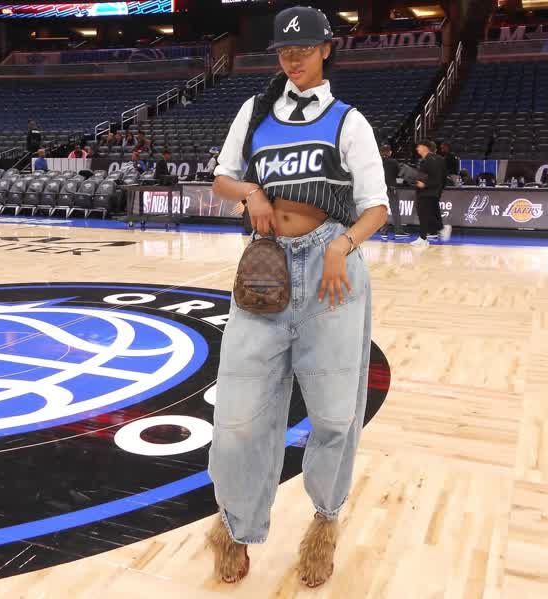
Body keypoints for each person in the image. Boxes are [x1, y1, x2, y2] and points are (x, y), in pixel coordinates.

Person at [206, 6, 388, 589]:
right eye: (285, 51)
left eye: (304, 49)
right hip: (265, 269)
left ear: (326, 49)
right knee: (238, 419)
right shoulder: (254, 111)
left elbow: (377, 207)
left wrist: (344, 244)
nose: (293, 59)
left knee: (334, 417)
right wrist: (250, 192)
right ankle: (234, 527)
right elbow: (222, 178)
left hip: (332, 274)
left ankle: (324, 526)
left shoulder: (348, 121)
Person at [412, 139, 448, 249]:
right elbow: (444, 178)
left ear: (425, 147)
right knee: (429, 214)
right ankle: (424, 237)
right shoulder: (438, 159)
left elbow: (435, 177)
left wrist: (424, 184)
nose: (417, 148)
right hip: (434, 192)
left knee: (424, 215)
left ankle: (436, 231)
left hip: (427, 192)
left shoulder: (429, 160)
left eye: (419, 146)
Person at [378, 144, 407, 239]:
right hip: (391, 189)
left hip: (380, 189)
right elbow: (399, 173)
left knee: (383, 211)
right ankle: (398, 231)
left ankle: (383, 231)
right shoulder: (393, 162)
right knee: (395, 210)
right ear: (390, 152)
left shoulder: (377, 161)